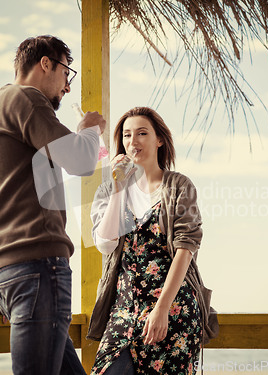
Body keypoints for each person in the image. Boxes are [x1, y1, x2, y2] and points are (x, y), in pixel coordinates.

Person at [0, 35, 106, 375]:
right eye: (66, 73)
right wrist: (90, 130)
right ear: (45, 64)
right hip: (37, 268)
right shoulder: (28, 98)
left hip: (7, 273)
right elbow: (79, 161)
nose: (67, 87)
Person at [87, 107, 205, 374]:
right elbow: (105, 244)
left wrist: (162, 308)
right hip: (123, 309)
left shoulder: (179, 186)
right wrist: (118, 188)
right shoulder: (108, 189)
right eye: (127, 135)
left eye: (142, 133)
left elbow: (185, 250)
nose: (133, 141)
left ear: (159, 140)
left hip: (172, 308)